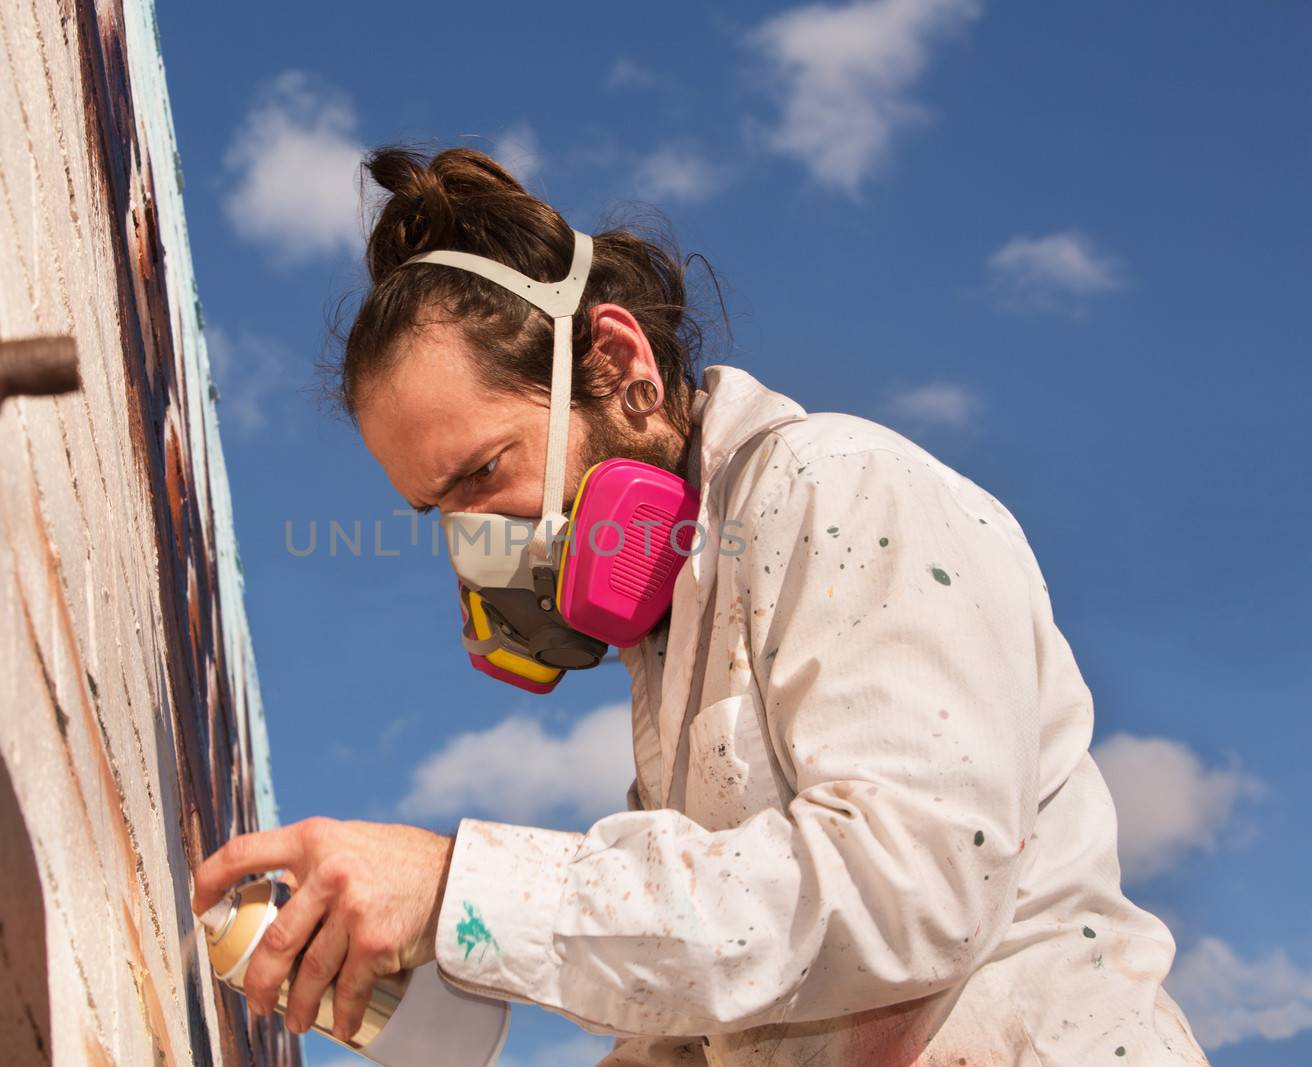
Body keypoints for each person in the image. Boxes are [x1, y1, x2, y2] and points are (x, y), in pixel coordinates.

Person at [193, 147, 1209, 1066]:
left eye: (482, 473)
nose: (471, 541)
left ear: (621, 366)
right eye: (437, 510)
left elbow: (908, 888)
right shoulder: (677, 643)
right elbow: (715, 1017)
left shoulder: (838, 487)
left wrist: (461, 883)